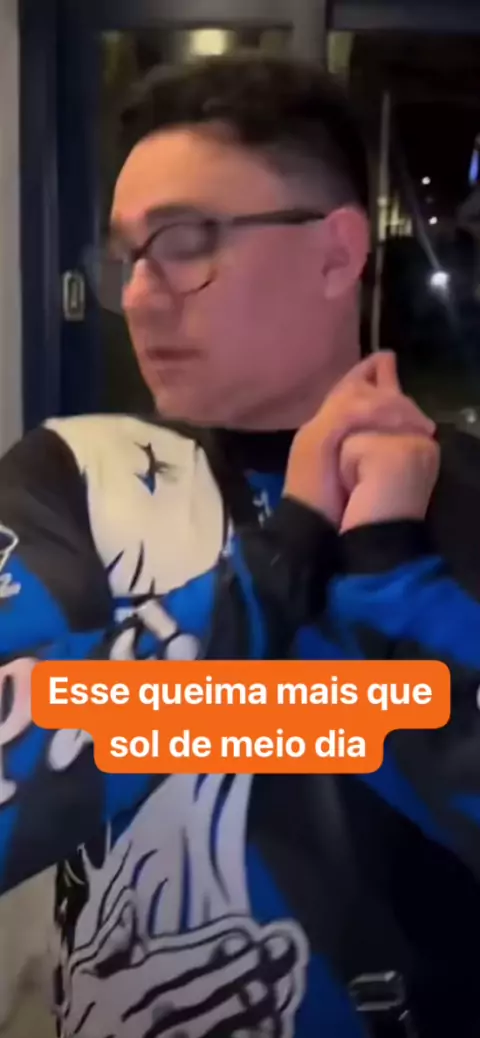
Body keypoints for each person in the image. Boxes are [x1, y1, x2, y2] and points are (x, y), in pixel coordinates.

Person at [1, 52, 480, 1038]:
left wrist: (390, 567)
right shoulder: (74, 480)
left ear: (337, 253)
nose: (141, 295)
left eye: (184, 243)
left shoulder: (460, 492)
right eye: (127, 257)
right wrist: (282, 557)